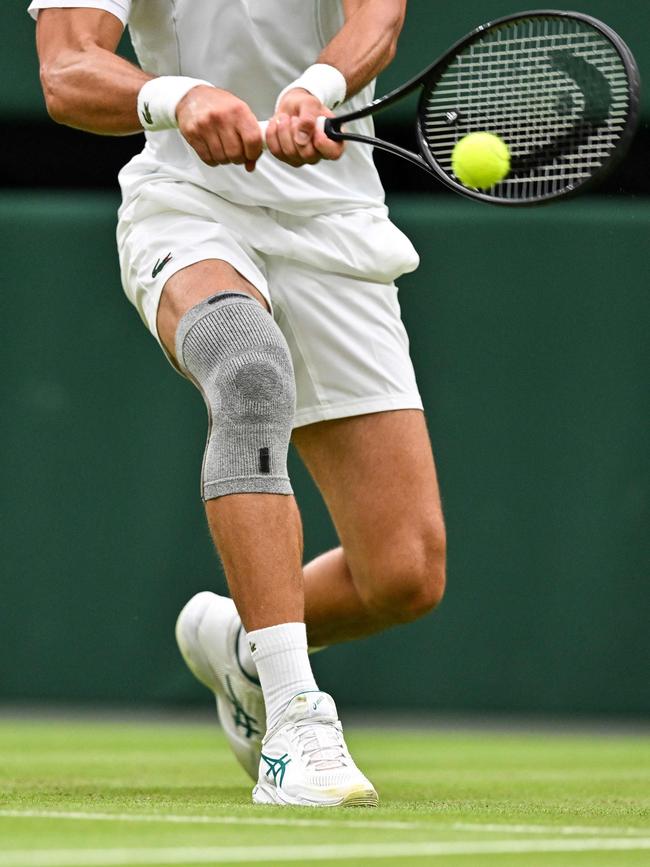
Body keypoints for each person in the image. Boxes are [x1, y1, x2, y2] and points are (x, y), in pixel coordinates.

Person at [30, 0, 446, 807]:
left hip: (334, 221)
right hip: (189, 205)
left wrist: (317, 87)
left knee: (402, 574)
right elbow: (66, 68)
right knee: (248, 369)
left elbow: (378, 19)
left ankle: (241, 642)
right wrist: (176, 96)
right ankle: (295, 720)